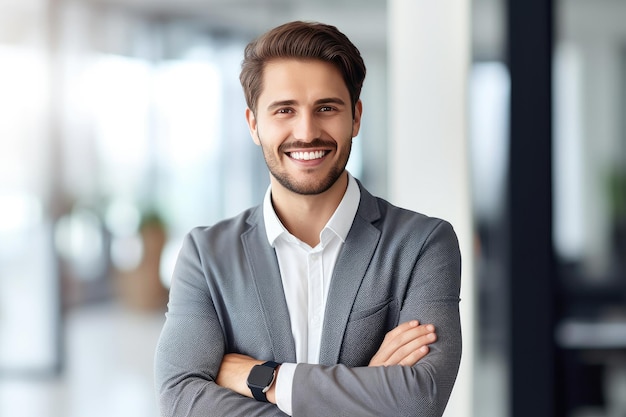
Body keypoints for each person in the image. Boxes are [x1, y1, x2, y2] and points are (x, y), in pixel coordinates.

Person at [154, 20, 461, 417]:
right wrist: (366, 389)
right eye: (284, 110)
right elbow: (180, 397)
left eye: (327, 108)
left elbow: (421, 398)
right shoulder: (205, 255)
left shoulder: (423, 243)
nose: (307, 131)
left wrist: (264, 378)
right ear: (253, 124)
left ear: (355, 117)